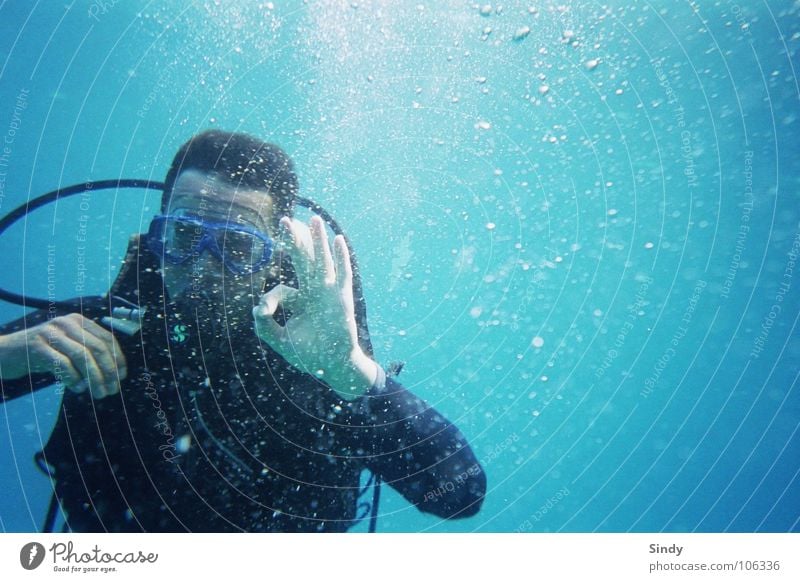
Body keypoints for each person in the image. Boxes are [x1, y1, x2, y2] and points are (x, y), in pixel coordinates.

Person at [0, 130, 486, 532]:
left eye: (236, 246)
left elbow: (461, 495)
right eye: (186, 236)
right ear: (157, 237)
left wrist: (351, 372)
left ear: (271, 254)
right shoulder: (101, 330)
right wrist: (11, 352)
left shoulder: (315, 365)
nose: (204, 268)